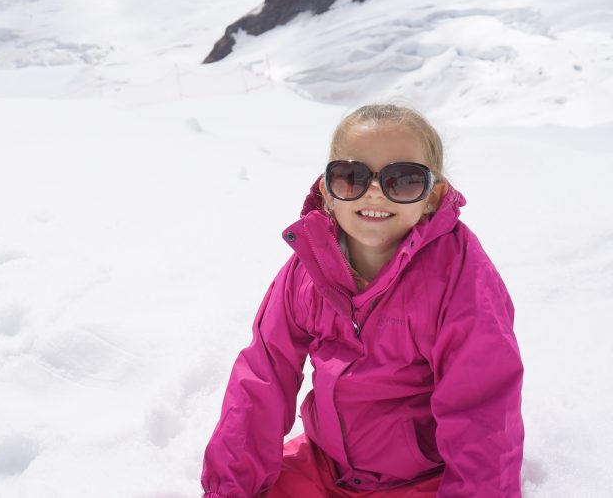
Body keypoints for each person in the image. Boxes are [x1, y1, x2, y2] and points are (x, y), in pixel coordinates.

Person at [201, 104, 524, 498]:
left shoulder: (459, 278)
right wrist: (228, 489)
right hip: (325, 467)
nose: (374, 192)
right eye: (351, 177)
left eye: (402, 179)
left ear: (432, 196)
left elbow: (482, 409)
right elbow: (264, 378)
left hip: (423, 480)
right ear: (328, 190)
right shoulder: (309, 268)